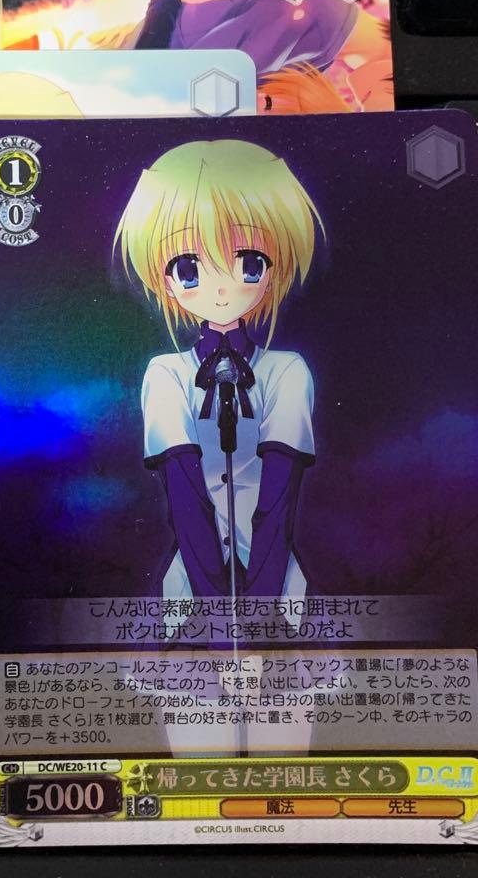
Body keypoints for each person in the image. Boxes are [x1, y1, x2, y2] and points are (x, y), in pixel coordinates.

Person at [114, 139, 323, 604]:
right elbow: (183, 493)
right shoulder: (165, 373)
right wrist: (211, 604)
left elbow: (279, 496)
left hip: (279, 581)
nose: (222, 288)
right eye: (189, 268)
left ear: (274, 267)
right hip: (189, 584)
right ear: (166, 281)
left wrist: (263, 602)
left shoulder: (286, 370)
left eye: (249, 263)